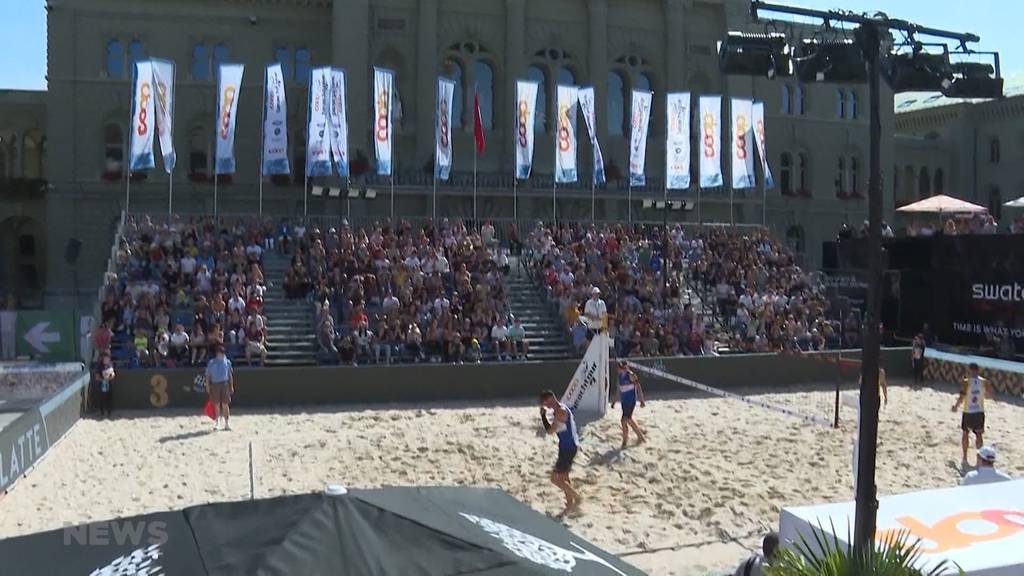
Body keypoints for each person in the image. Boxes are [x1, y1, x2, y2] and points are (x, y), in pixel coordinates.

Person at [539, 390, 581, 515]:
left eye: (546, 403)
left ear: (551, 399)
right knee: (564, 477)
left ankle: (577, 497)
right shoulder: (560, 409)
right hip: (566, 447)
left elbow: (550, 431)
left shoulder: (561, 412)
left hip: (568, 448)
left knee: (555, 478)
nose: (547, 406)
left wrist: (543, 417)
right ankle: (570, 504)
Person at [952, 363, 993, 467]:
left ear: (969, 370)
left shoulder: (966, 382)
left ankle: (965, 457)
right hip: (979, 411)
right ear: (978, 370)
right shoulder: (984, 382)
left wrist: (956, 406)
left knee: (965, 434)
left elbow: (962, 397)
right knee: (979, 435)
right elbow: (989, 395)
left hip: (968, 412)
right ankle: (979, 459)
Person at [610, 361, 647, 448]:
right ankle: (634, 438)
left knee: (625, 420)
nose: (618, 369)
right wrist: (614, 401)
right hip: (624, 401)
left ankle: (629, 439)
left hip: (631, 401)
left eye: (620, 368)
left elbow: (638, 387)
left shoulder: (631, 375)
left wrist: (642, 400)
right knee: (626, 420)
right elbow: (618, 390)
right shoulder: (619, 377)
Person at [205, 344, 235, 431]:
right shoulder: (211, 362)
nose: (220, 354)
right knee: (216, 404)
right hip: (215, 385)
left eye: (222, 353)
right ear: (217, 353)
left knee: (225, 404)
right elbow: (208, 376)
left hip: (225, 384)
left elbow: (230, 375)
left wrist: (231, 386)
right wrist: (207, 386)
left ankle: (227, 423)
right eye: (219, 352)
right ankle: (217, 422)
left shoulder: (227, 362)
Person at [93, 351, 116, 418]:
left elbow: (113, 373)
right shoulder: (99, 366)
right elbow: (97, 377)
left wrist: (111, 376)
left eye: (108, 358)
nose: (107, 359)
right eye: (105, 358)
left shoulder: (110, 364)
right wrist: (103, 379)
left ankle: (109, 412)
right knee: (102, 398)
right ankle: (102, 412)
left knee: (110, 398)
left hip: (109, 383)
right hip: (102, 384)